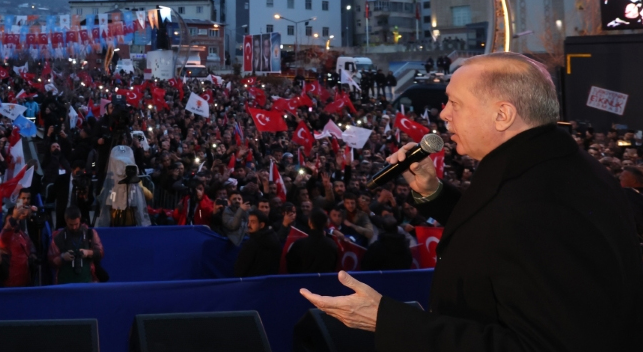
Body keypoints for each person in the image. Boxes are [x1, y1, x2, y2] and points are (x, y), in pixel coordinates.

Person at [300, 52, 643, 351]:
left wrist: (388, 320)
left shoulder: (544, 202)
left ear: (502, 115)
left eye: (455, 103)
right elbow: (500, 232)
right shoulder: (547, 165)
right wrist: (435, 193)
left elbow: (541, 344)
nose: (443, 114)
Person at [48, 206, 103, 284]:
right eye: (71, 225)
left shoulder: (90, 233)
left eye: (76, 224)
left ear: (80, 219)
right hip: (65, 282)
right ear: (66, 221)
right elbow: (51, 260)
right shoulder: (58, 237)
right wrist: (62, 257)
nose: (74, 227)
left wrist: (88, 253)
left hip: (87, 280)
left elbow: (100, 252)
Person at [286, 208, 338, 274]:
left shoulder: (299, 244)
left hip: (303, 282)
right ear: (326, 223)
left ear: (309, 222)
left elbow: (291, 266)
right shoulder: (332, 244)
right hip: (325, 282)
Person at [0, 201, 35, 287]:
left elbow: (30, 244)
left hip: (26, 278)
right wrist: (14, 217)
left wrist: (32, 254)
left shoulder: (21, 233)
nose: (14, 223)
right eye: (11, 222)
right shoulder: (3, 237)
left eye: (16, 221)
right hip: (12, 282)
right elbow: (7, 230)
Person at [234, 209, 281, 277]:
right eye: (248, 221)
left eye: (253, 222)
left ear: (261, 225)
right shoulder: (275, 239)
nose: (248, 225)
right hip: (271, 282)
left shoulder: (252, 243)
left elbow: (240, 270)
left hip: (251, 283)